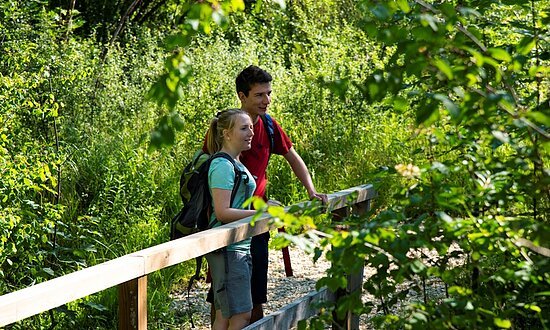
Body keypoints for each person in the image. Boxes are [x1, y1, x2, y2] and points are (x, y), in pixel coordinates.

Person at [206, 65, 328, 323]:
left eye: (269, 94)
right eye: (259, 95)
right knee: (223, 301)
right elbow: (212, 173)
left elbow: (292, 157)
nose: (266, 100)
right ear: (242, 95)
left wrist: (312, 190)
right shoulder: (227, 128)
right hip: (227, 223)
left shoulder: (269, 126)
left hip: (257, 222)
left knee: (255, 296)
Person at [205, 109, 257, 330]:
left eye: (251, 128)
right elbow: (223, 212)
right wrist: (261, 214)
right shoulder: (222, 166)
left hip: (238, 247)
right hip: (228, 249)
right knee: (240, 315)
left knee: (227, 316)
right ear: (227, 134)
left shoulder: (235, 163)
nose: (251, 133)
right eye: (244, 128)